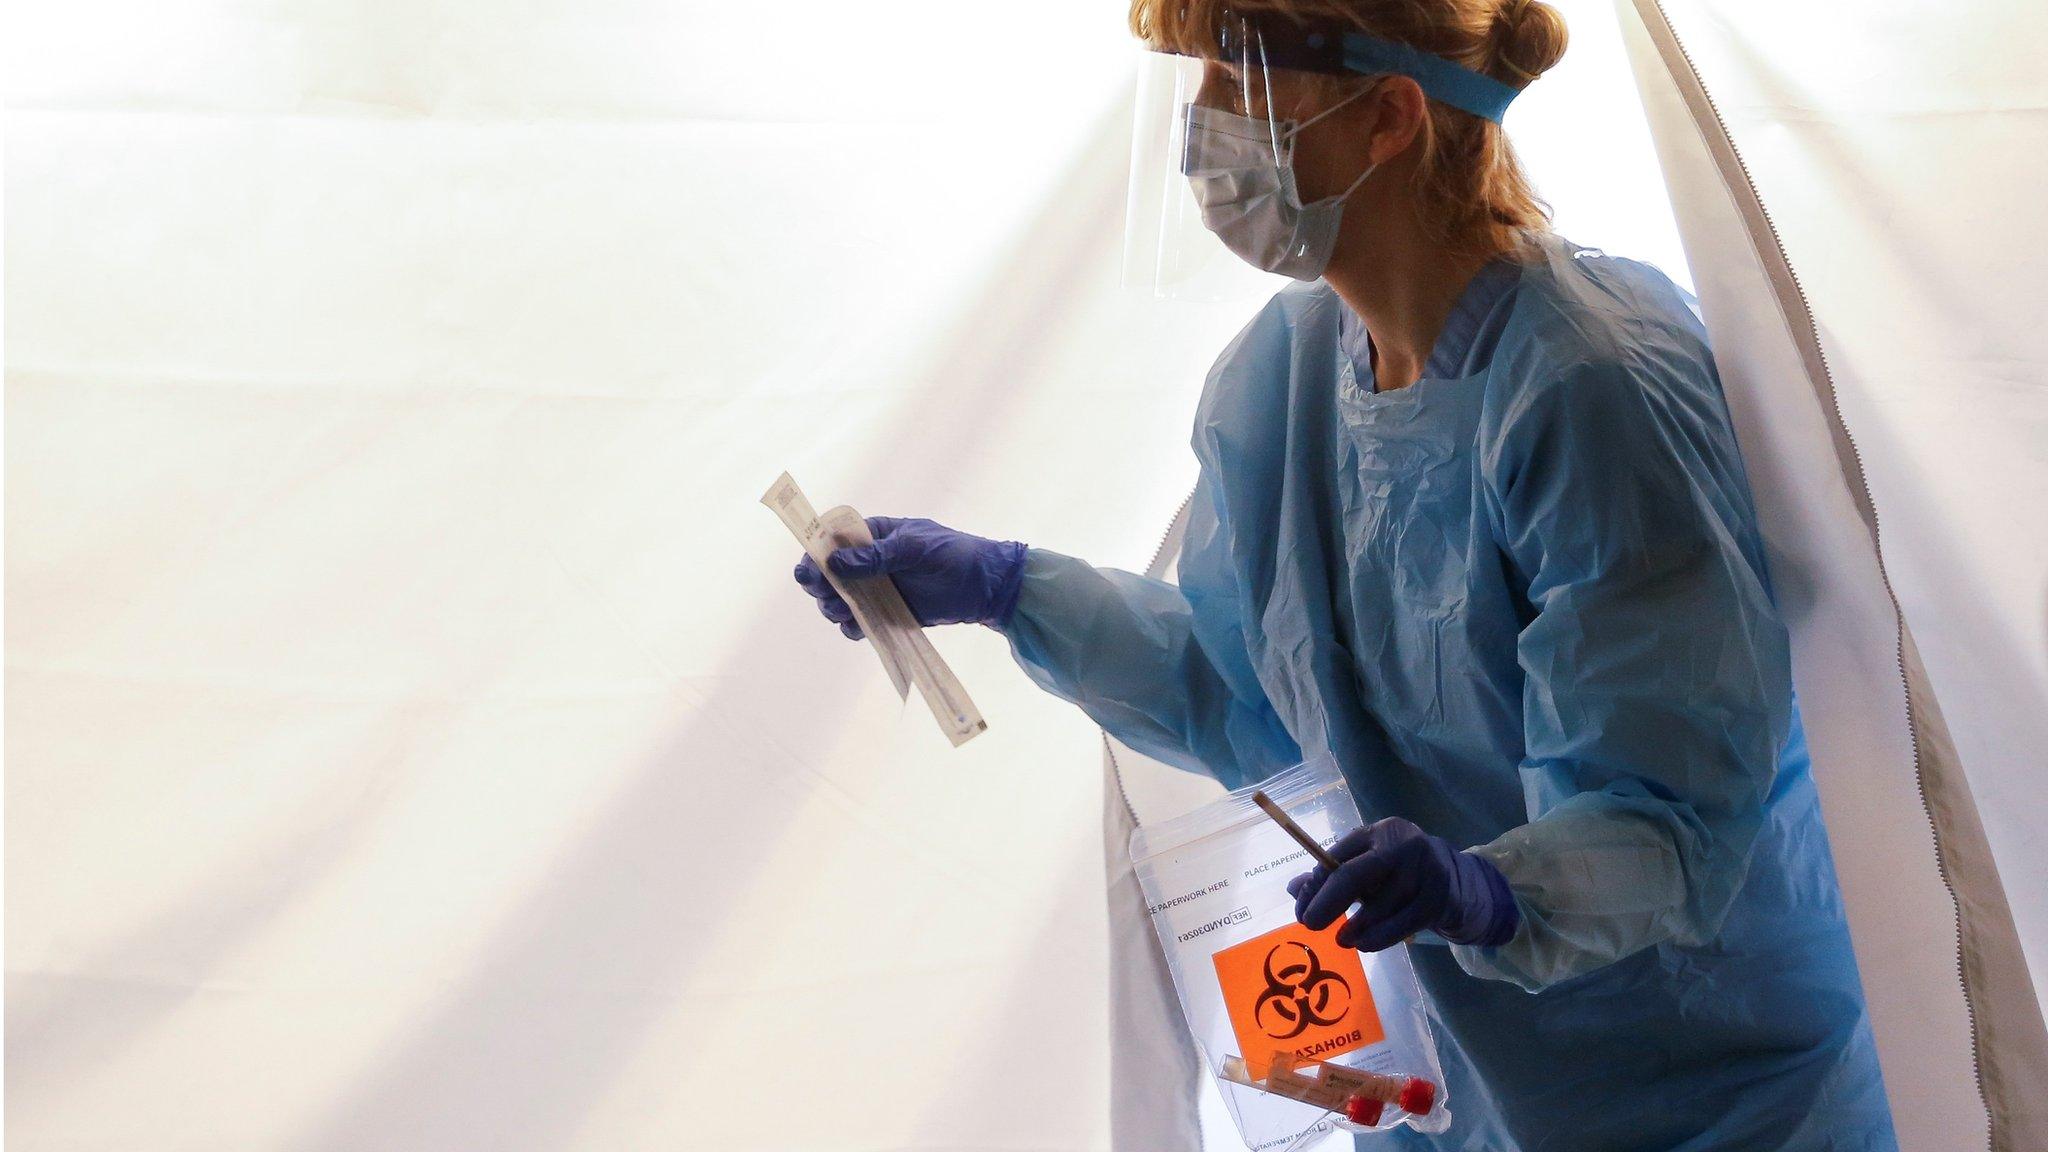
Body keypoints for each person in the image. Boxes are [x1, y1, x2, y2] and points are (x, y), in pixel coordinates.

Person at [791, 2, 1897, 1148]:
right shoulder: (1278, 378)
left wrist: (1494, 890)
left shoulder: (1589, 385)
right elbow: (1243, 700)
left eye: (1237, 80)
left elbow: (1667, 811)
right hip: (1447, 1090)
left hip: (1700, 1090)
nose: (1203, 127)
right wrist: (1008, 586)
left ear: (1386, 115)